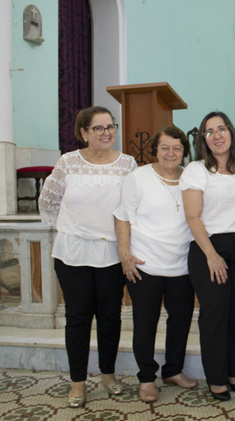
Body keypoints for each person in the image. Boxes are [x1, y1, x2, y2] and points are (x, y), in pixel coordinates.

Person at [38, 106, 137, 408]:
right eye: (99, 128)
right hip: (73, 253)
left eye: (111, 126)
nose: (107, 132)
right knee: (78, 318)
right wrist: (72, 227)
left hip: (111, 253)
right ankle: (77, 382)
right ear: (83, 132)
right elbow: (48, 201)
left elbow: (133, 207)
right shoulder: (68, 162)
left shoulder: (127, 164)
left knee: (110, 317)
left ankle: (108, 374)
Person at [181, 112, 235, 401]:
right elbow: (193, 216)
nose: (216, 136)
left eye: (221, 129)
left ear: (231, 132)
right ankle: (216, 378)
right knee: (215, 313)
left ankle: (232, 372)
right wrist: (212, 256)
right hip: (207, 246)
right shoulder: (197, 170)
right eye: (209, 131)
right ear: (203, 139)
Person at [114, 126, 197, 402]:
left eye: (177, 148)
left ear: (184, 151)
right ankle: (147, 378)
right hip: (144, 264)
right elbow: (122, 216)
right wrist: (125, 254)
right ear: (155, 150)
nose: (171, 153)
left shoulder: (192, 178)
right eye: (165, 148)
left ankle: (173, 370)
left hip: (182, 265)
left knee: (180, 321)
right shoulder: (138, 178)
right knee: (145, 323)